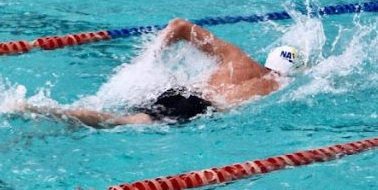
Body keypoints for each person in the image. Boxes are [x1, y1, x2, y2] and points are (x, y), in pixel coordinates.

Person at [24, 18, 303, 127]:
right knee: (119, 122)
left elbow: (179, 26)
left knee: (111, 114)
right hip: (200, 106)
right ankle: (49, 111)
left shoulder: (237, 58)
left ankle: (46, 121)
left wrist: (149, 60)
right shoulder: (276, 84)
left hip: (181, 91)